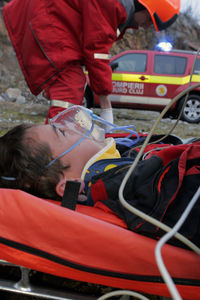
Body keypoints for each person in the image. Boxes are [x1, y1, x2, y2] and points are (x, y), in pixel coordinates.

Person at [0, 105, 199, 249]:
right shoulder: (128, 188)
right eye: (62, 131)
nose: (72, 126)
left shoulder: (123, 158)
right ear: (68, 184)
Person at [2, 0, 180, 124]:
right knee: (69, 88)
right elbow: (97, 52)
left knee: (70, 88)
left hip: (46, 16)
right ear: (143, 7)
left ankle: (55, 148)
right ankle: (52, 159)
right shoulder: (113, 5)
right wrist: (106, 106)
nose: (146, 26)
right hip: (45, 18)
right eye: (149, 21)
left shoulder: (116, 7)